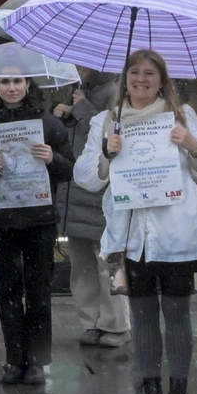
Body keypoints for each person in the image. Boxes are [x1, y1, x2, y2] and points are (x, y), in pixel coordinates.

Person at [77, 48, 197, 394]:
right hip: (131, 236)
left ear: (162, 81)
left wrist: (190, 145)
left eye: (149, 74)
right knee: (142, 317)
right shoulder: (105, 122)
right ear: (124, 79)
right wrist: (107, 155)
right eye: (134, 73)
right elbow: (86, 178)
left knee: (177, 314)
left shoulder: (181, 115)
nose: (141, 80)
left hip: (176, 233)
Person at [0, 70, 75, 386]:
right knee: (9, 290)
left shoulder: (49, 124)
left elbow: (70, 169)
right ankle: (15, 359)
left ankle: (38, 362)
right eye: (4, 81)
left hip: (39, 219)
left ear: (28, 85)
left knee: (39, 290)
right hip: (1, 220)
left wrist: (53, 157)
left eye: (17, 81)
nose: (11, 87)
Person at [52, 74, 120, 350]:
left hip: (100, 192)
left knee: (107, 265)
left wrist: (81, 110)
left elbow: (111, 133)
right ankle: (90, 321)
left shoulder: (114, 92)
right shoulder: (78, 89)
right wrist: (60, 115)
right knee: (82, 268)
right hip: (75, 191)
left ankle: (114, 323)